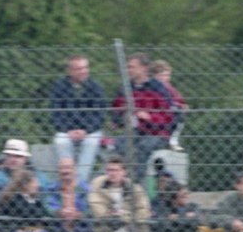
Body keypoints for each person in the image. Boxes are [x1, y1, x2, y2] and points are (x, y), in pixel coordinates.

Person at [111, 52, 176, 180]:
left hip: (156, 133)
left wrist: (149, 117)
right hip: (134, 130)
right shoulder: (126, 88)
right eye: (128, 67)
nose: (128, 70)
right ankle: (120, 180)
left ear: (143, 68)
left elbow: (169, 117)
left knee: (143, 148)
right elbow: (116, 112)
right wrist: (121, 116)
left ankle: (134, 185)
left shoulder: (158, 88)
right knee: (119, 145)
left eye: (132, 67)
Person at [49, 55, 107, 184]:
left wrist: (85, 130)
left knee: (91, 143)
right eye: (79, 69)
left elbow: (100, 115)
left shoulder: (95, 87)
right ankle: (68, 178)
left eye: (85, 67)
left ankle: (79, 184)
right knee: (60, 141)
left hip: (90, 130)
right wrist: (68, 130)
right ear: (70, 71)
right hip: (66, 130)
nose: (84, 71)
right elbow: (55, 113)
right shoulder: (59, 86)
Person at [88, 156, 151, 232]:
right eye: (110, 170)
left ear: (124, 172)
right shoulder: (98, 188)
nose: (113, 173)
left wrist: (122, 216)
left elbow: (143, 211)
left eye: (116, 170)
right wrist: (127, 215)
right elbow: (99, 211)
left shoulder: (135, 189)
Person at [44, 156, 92, 232]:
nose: (65, 171)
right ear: (58, 170)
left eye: (68, 167)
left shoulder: (86, 189)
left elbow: (90, 210)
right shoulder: (50, 189)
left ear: (75, 169)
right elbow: (47, 206)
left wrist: (78, 214)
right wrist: (60, 212)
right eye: (62, 168)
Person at [149, 59, 187, 149]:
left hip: (167, 114)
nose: (167, 78)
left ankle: (172, 140)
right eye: (163, 75)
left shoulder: (169, 88)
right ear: (155, 76)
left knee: (179, 112)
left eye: (168, 75)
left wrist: (180, 106)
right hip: (153, 115)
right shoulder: (149, 86)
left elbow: (180, 100)